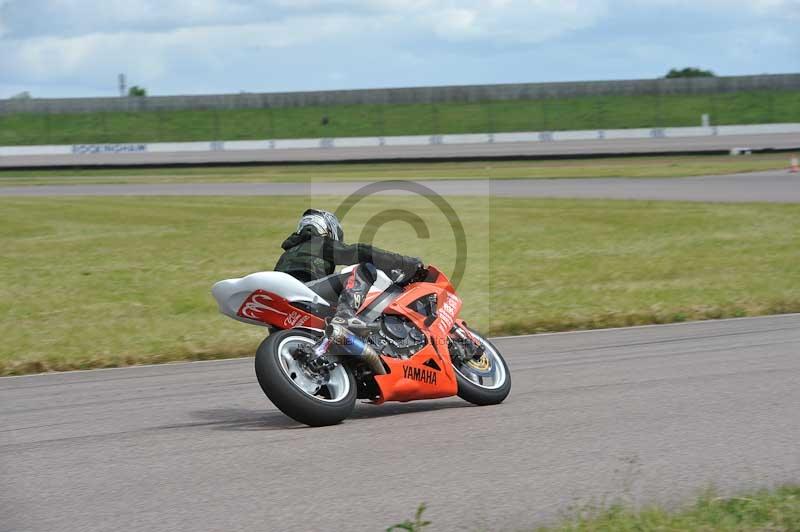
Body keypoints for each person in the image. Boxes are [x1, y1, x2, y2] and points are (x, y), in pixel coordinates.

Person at [275, 209, 424, 335]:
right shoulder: (318, 243)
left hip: (286, 314)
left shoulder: (287, 254)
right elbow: (361, 252)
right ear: (327, 228)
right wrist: (405, 263)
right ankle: (345, 315)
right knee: (363, 269)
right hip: (306, 291)